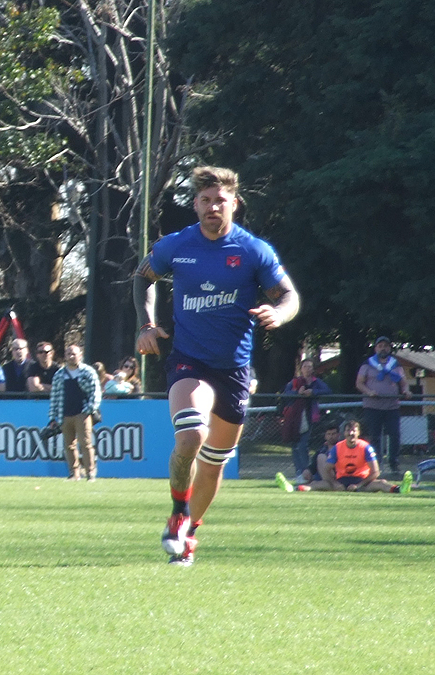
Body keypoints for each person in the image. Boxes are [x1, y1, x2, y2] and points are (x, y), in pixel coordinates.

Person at [134, 165, 300, 567]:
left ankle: (189, 531)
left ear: (234, 204)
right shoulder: (177, 245)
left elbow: (289, 296)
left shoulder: (252, 251)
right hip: (188, 362)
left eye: (219, 201)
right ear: (195, 204)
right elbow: (142, 277)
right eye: (205, 200)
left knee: (212, 467)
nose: (212, 207)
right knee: (191, 435)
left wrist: (279, 313)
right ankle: (178, 511)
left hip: (235, 370)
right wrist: (146, 325)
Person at [286, 420, 412, 493]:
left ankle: (400, 489)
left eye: (354, 430)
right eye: (348, 430)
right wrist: (335, 483)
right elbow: (327, 468)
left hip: (362, 482)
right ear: (344, 433)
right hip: (342, 481)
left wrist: (359, 485)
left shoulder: (366, 447)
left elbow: (376, 472)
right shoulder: (338, 447)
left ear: (358, 433)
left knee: (382, 483)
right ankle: (294, 489)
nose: (351, 433)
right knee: (316, 484)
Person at [355, 336, 411, 474]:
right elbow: (359, 383)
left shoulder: (395, 365)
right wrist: (369, 392)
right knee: (374, 436)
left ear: (389, 348)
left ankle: (394, 464)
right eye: (380, 346)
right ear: (375, 349)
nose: (383, 348)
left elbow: (403, 383)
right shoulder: (367, 364)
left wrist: (406, 390)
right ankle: (376, 465)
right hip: (372, 407)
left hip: (392, 407)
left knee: (395, 435)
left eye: (385, 346)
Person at [48, 343, 101, 481]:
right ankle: (74, 474)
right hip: (64, 414)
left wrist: (89, 409)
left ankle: (90, 473)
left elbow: (96, 393)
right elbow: (54, 397)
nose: (71, 356)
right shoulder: (59, 374)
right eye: (68, 354)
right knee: (69, 446)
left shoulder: (88, 372)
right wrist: (52, 417)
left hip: (82, 413)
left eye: (74, 354)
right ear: (65, 356)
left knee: (85, 443)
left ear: (80, 355)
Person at [281, 358, 332, 482]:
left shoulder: (316, 382)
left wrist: (313, 392)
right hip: (294, 418)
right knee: (295, 446)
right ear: (301, 368)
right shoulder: (295, 382)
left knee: (303, 445)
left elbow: (327, 391)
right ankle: (299, 472)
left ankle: (306, 472)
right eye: (305, 366)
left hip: (309, 417)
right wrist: (297, 393)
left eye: (310, 366)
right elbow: (285, 394)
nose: (308, 369)